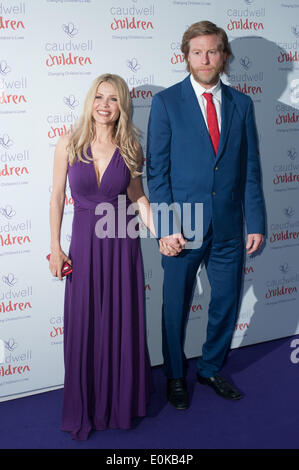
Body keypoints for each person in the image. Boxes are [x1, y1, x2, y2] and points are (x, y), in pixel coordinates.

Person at [146, 21, 265, 410]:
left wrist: (257, 222)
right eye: (197, 52)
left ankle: (211, 367)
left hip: (230, 225)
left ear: (224, 55)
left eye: (212, 51)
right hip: (182, 227)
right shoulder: (166, 103)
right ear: (186, 57)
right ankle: (176, 375)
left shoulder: (241, 104)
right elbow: (156, 173)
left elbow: (250, 168)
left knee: (226, 300)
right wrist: (165, 226)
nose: (205, 59)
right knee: (175, 306)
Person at [49, 73, 155, 440]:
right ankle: (87, 405)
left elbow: (139, 198)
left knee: (120, 320)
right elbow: (57, 198)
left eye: (112, 99)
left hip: (120, 245)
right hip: (83, 246)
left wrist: (162, 233)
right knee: (84, 322)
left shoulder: (131, 149)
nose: (104, 105)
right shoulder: (68, 143)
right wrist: (56, 247)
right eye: (99, 97)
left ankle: (120, 403)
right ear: (89, 102)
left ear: (122, 105)